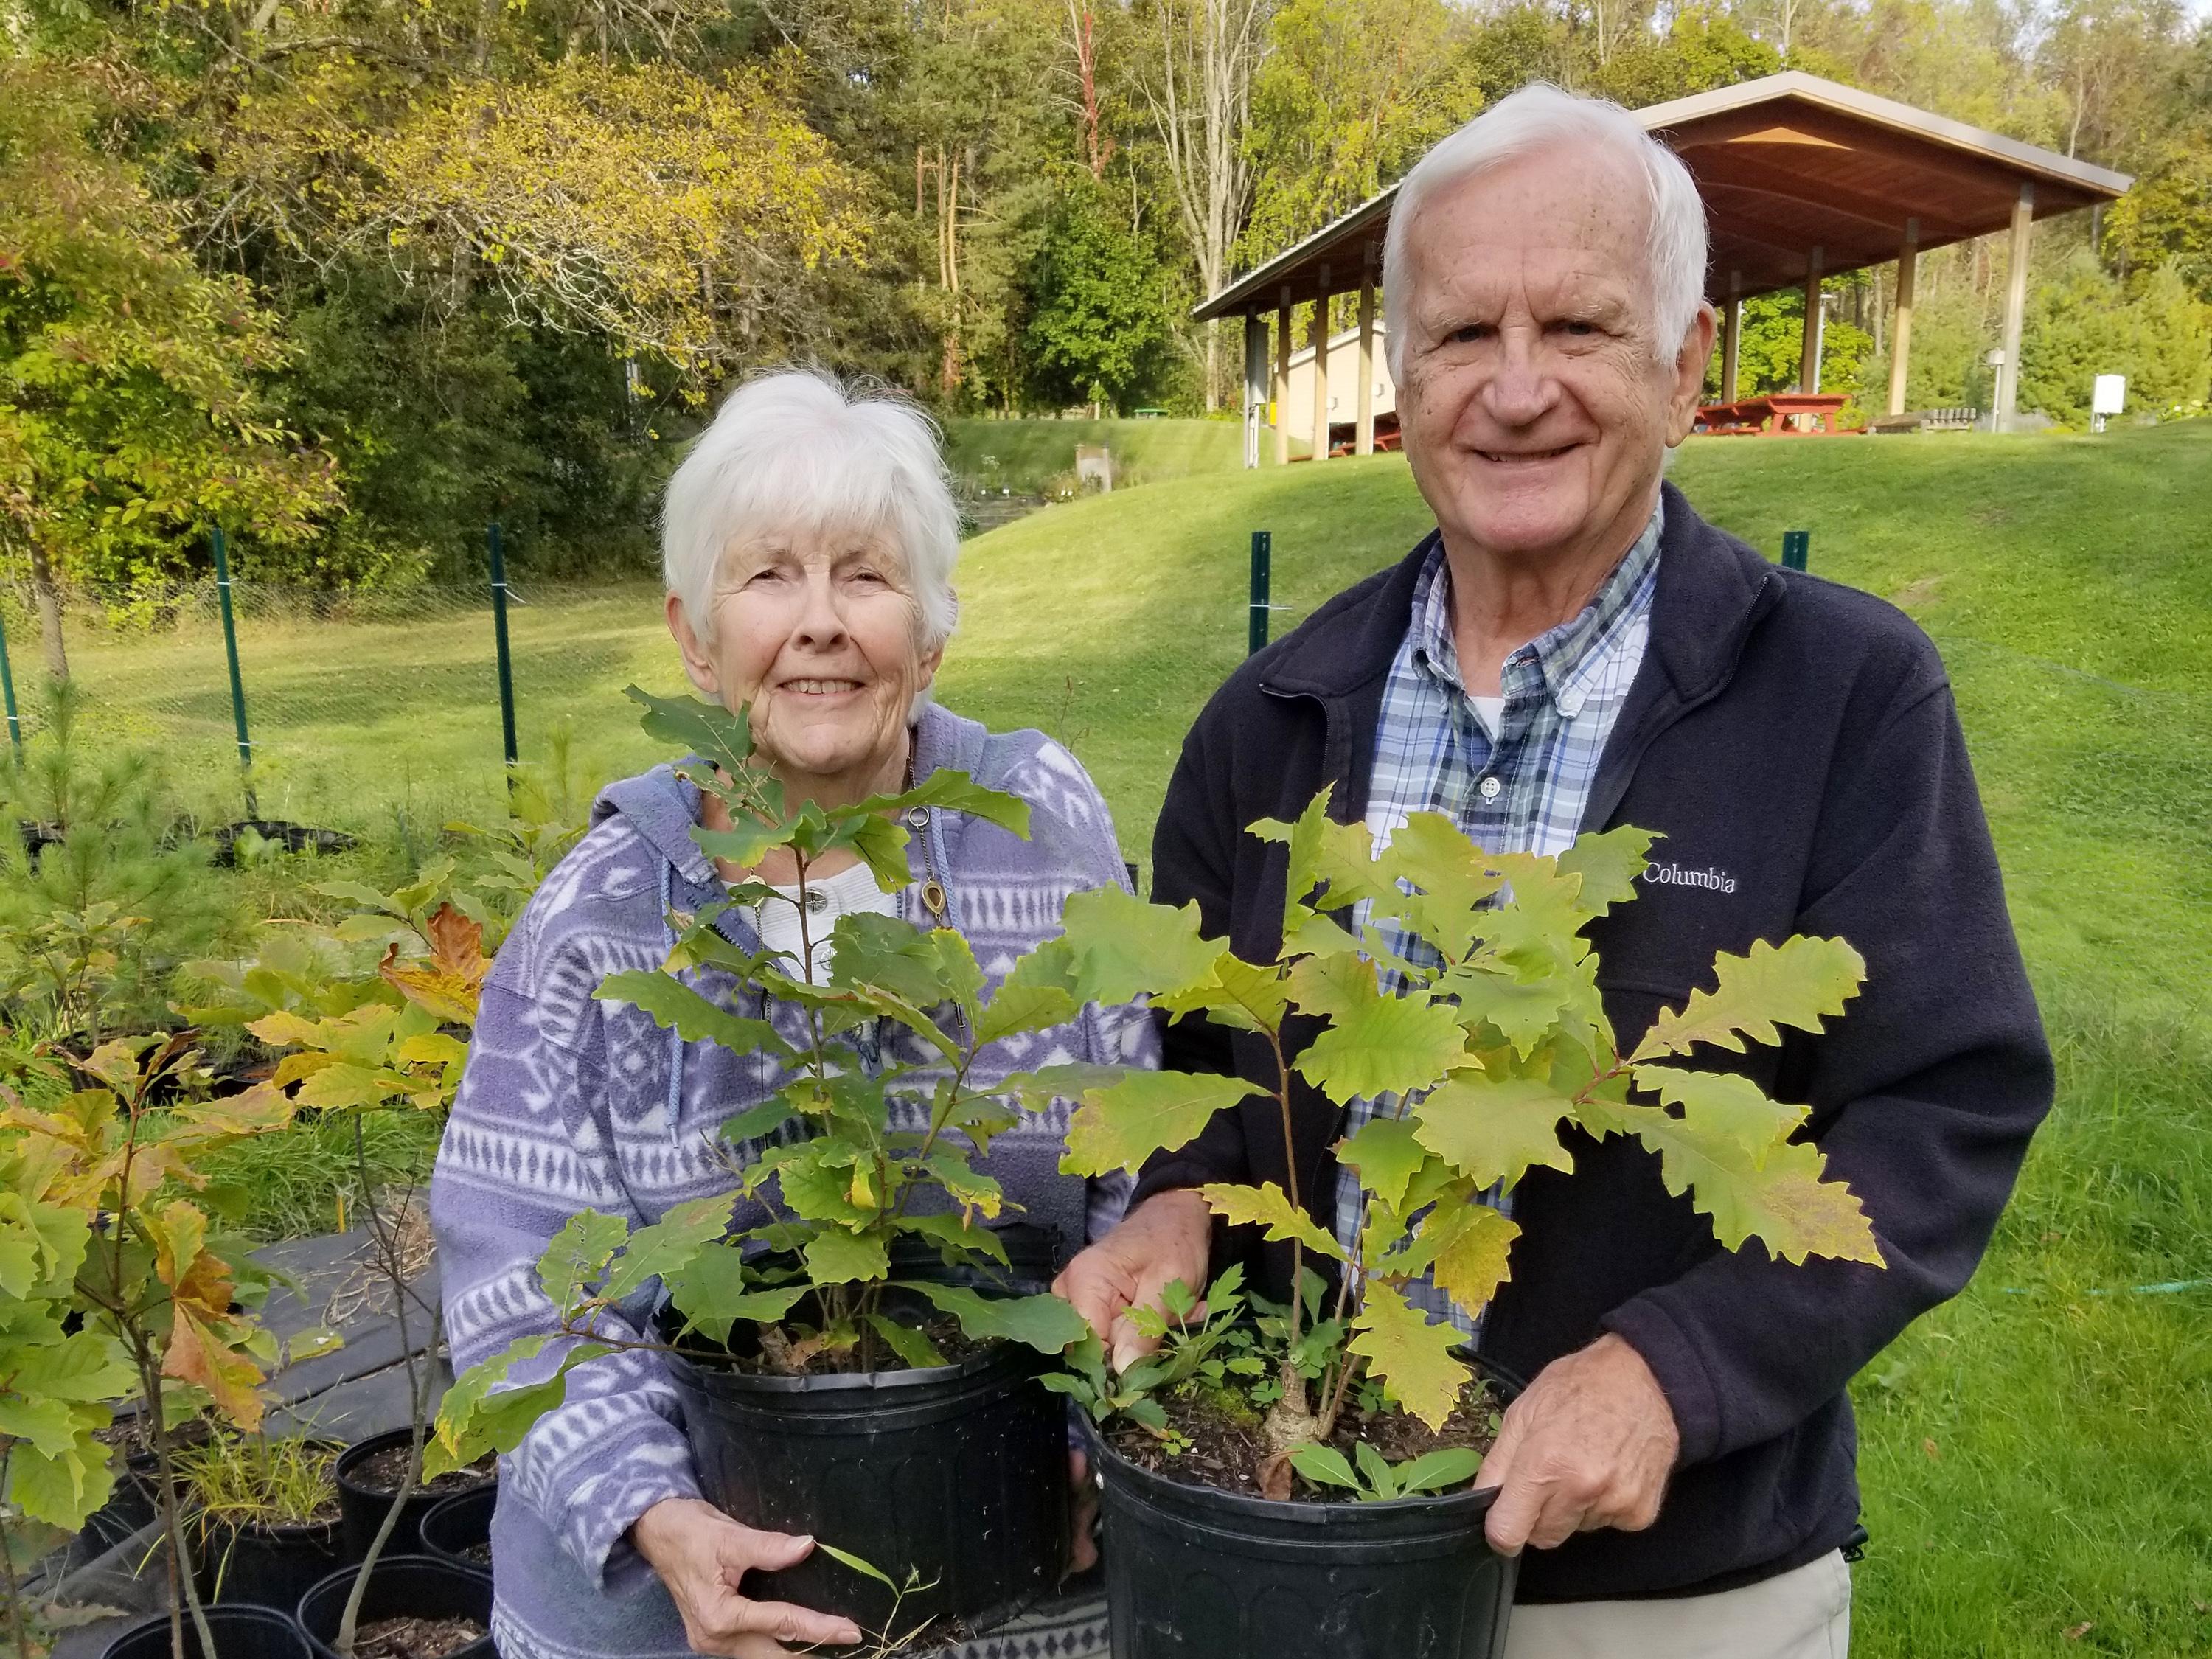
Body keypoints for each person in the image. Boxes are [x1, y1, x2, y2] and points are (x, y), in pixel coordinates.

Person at [1055, 84, 2052, 1659]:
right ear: (1402, 372)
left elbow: (1947, 1109)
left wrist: (1676, 1370)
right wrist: (1177, 1208)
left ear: (1685, 364)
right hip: (1293, 1537)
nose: (1515, 392)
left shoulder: (1845, 697)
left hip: (1665, 1587)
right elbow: (1188, 1059)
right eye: (1461, 337)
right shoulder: (1274, 718)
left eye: (1579, 328)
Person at [431, 369, 1148, 1659]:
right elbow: (515, 1284)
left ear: (932, 633)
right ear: (694, 639)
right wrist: (653, 1513)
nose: (820, 623)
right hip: (680, 1612)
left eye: (866, 575)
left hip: (1004, 1580)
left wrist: (1104, 1426)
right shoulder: (603, 916)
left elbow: (1130, 1176)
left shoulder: (1039, 828)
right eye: (768, 577)